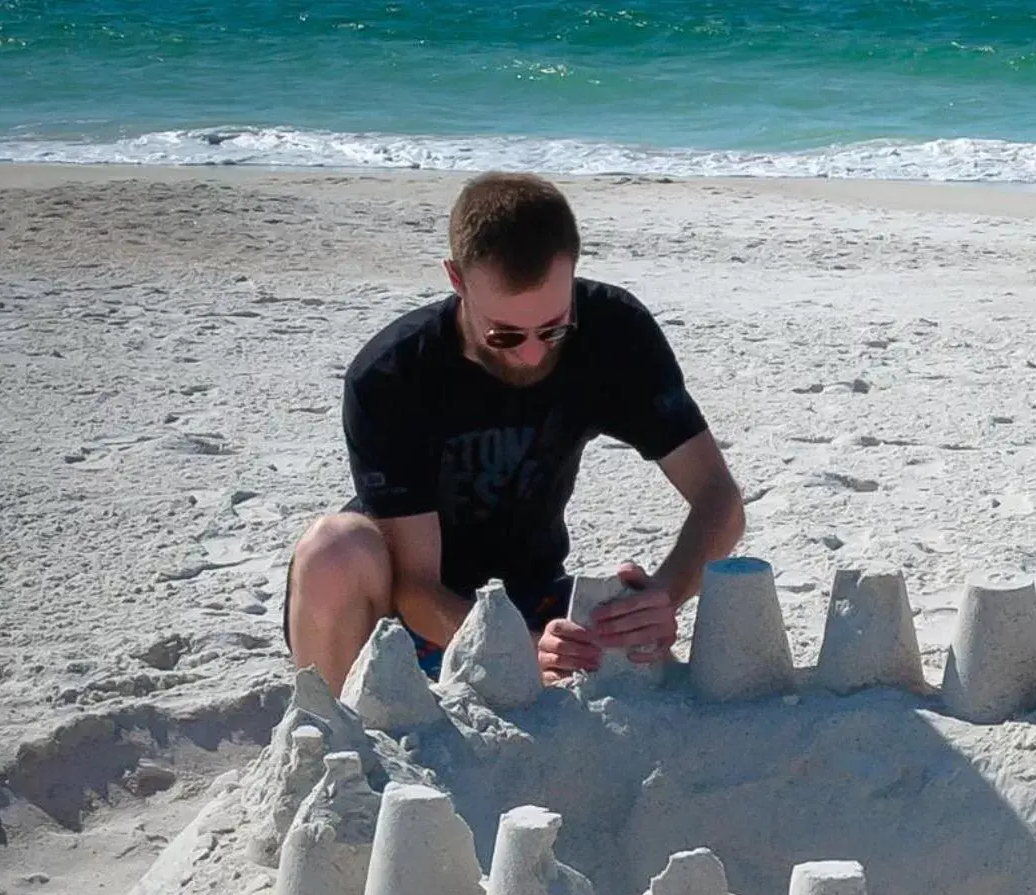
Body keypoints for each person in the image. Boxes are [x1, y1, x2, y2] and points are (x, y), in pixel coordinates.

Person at [284, 172, 745, 693]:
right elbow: (417, 587)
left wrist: (664, 594)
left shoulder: (614, 333)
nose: (532, 353)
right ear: (456, 280)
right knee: (333, 550)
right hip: (406, 612)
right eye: (504, 334)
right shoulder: (392, 375)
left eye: (553, 328)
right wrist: (520, 647)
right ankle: (335, 741)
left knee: (621, 607)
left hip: (531, 593)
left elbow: (719, 499)